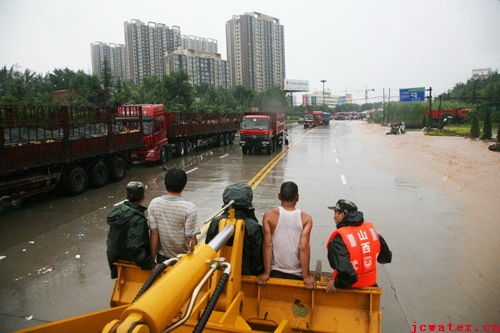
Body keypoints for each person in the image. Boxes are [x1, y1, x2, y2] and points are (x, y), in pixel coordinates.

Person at [256, 181, 316, 289]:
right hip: (297, 275)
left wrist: (266, 273)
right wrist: (306, 276)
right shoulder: (306, 219)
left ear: (279, 196)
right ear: (297, 198)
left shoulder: (269, 216)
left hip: (275, 272)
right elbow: (304, 248)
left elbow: (267, 245)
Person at [325, 199, 392, 293]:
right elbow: (386, 258)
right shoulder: (370, 232)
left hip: (350, 290)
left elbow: (348, 275)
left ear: (342, 215)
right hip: (371, 287)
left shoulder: (339, 240)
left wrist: (336, 283)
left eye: (335, 213)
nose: (333, 217)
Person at [205, 183, 264, 276]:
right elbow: (257, 259)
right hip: (245, 274)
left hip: (218, 273)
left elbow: (208, 250)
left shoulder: (216, 222)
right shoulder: (254, 227)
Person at [106, 181, 156, 279]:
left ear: (126, 196)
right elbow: (135, 247)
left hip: (115, 258)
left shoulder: (118, 212)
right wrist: (151, 265)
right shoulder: (137, 219)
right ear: (143, 197)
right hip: (130, 260)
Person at [148, 168, 199, 263]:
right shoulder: (189, 208)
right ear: (184, 185)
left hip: (162, 259)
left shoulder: (154, 203)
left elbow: (154, 234)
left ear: (165, 184)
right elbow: (190, 239)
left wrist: (152, 262)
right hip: (183, 259)